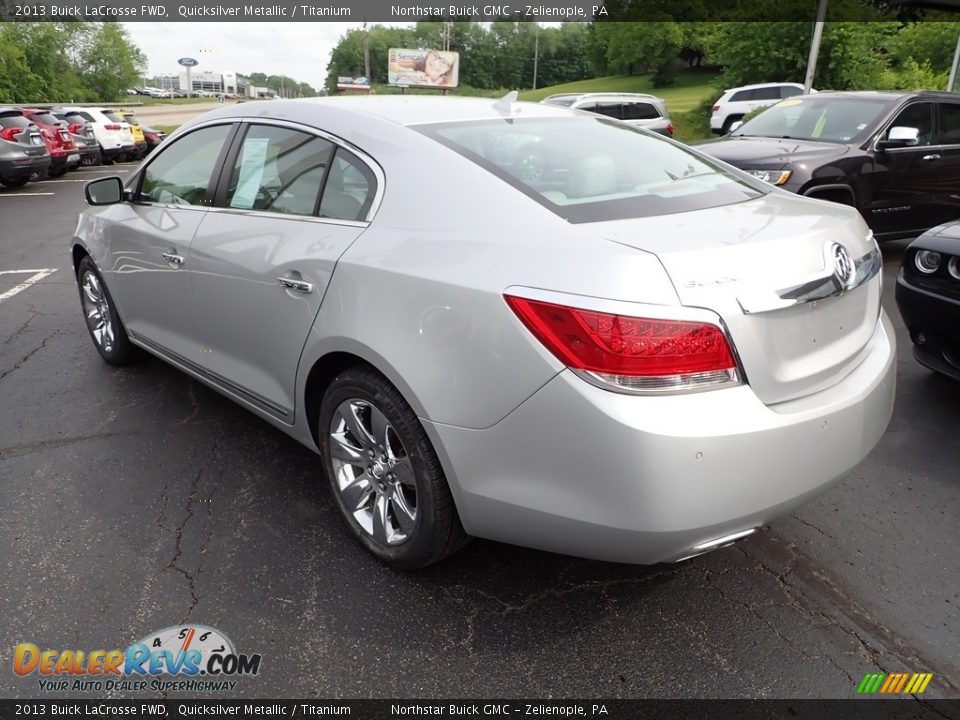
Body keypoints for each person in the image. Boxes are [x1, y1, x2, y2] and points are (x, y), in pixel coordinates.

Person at [389, 50, 456, 87]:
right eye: (435, 55)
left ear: (447, 69)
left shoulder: (446, 84)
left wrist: (429, 83)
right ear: (428, 55)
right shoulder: (418, 65)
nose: (436, 62)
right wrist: (413, 75)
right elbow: (392, 64)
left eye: (443, 62)